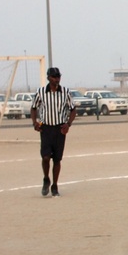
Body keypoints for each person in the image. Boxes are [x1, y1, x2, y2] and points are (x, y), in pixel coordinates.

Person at [30, 67, 76, 197]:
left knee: (57, 159)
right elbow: (33, 108)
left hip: (59, 129)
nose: (57, 79)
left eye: (58, 77)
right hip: (46, 128)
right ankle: (46, 178)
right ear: (49, 78)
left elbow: (73, 109)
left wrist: (68, 124)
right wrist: (34, 122)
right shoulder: (41, 92)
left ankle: (55, 185)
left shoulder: (65, 92)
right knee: (45, 157)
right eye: (54, 77)